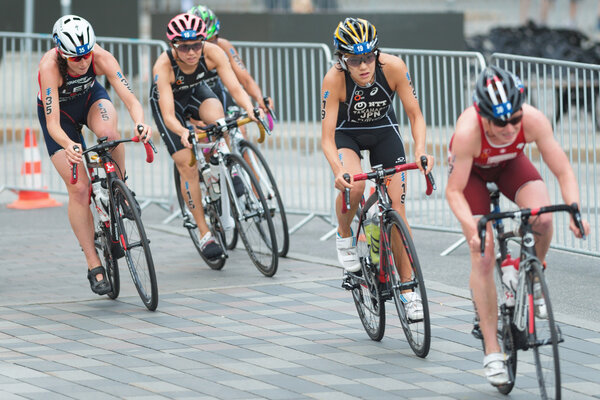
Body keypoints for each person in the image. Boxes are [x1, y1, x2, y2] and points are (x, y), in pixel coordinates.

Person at [445, 65, 590, 386]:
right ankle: (493, 351)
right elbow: (453, 191)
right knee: (484, 255)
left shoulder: (533, 119)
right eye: (500, 122)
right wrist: (472, 230)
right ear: (482, 115)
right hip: (473, 177)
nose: (510, 127)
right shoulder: (469, 131)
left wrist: (575, 211)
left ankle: (533, 276)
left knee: (543, 217)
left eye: (514, 118)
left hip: (510, 165)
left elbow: (563, 170)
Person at [320, 17, 434, 320]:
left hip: (385, 131)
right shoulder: (334, 79)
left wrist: (421, 150)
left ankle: (408, 292)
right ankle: (345, 235)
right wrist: (337, 170)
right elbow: (326, 137)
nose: (363, 66)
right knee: (356, 185)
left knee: (397, 209)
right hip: (347, 135)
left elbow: (415, 114)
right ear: (342, 60)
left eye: (369, 56)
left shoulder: (393, 67)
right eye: (355, 60)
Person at [37, 15, 152, 296]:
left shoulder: (100, 56)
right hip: (61, 119)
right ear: (62, 55)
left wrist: (140, 123)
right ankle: (93, 263)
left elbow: (131, 100)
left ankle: (121, 189)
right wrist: (68, 144)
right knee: (79, 188)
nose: (84, 61)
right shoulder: (49, 67)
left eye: (87, 54)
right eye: (76, 58)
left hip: (89, 100)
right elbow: (52, 125)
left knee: (110, 137)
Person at [150, 13, 262, 260]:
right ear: (173, 46)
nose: (192, 52)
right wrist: (183, 132)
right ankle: (204, 233)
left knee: (219, 120)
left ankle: (220, 163)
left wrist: (250, 108)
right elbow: (168, 115)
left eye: (196, 45)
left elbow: (235, 88)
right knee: (186, 164)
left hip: (195, 91)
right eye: (184, 47)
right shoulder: (163, 66)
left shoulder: (213, 52)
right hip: (171, 106)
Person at [188, 5, 272, 117]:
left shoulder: (224, 46)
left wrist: (259, 98)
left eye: (213, 39)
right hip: (190, 99)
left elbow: (245, 79)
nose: (211, 46)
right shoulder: (184, 54)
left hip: (217, 92)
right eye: (204, 42)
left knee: (239, 126)